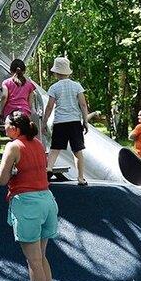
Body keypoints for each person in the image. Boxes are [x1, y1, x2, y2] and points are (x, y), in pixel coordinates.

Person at [0, 112, 58, 281]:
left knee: (34, 261)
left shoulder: (13, 146)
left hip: (28, 205)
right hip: (47, 200)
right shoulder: (37, 144)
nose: (4, 127)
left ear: (16, 129)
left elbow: (1, 179)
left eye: (7, 125)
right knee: (41, 258)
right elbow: (30, 170)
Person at [44, 56, 91, 185]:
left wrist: (44, 122)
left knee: (55, 148)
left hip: (60, 122)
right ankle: (80, 177)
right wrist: (85, 121)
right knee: (77, 151)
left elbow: (49, 106)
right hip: (74, 121)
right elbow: (83, 104)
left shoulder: (54, 87)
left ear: (56, 73)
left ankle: (49, 168)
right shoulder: (77, 86)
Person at [0, 59, 37, 124]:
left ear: (10, 71)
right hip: (24, 113)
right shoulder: (30, 85)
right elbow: (30, 104)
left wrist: (1, 112)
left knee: (11, 130)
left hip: (10, 113)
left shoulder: (6, 82)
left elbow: (4, 96)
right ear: (24, 71)